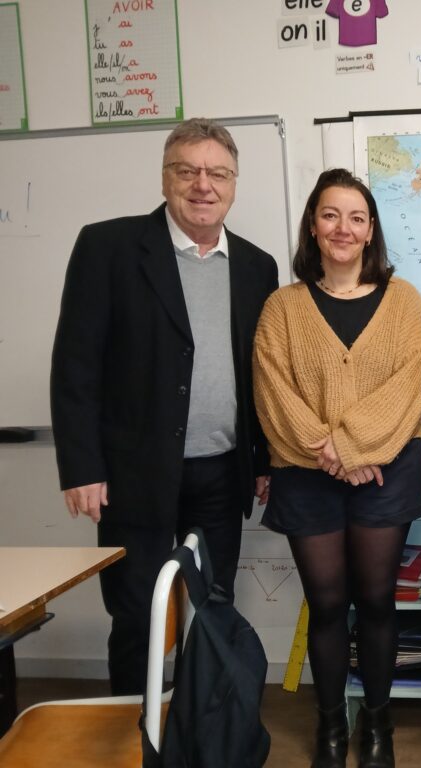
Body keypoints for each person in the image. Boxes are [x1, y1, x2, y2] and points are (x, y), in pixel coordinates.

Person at [50, 118, 279, 695]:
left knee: (213, 608)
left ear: (233, 184)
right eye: (187, 171)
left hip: (221, 474)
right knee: (138, 613)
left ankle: (205, 727)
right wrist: (81, 468)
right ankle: (138, 729)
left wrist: (262, 460)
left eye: (217, 173)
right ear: (164, 178)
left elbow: (260, 375)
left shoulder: (258, 267)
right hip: (134, 474)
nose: (203, 185)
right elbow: (76, 365)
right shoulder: (108, 248)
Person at [253, 168, 421, 768]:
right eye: (330, 215)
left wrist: (352, 448)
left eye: (356, 217)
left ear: (371, 229)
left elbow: (409, 388)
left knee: (377, 601)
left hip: (386, 471)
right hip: (307, 475)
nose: (343, 228)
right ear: (313, 224)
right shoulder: (282, 307)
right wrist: (334, 454)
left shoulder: (404, 301)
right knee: (327, 604)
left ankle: (378, 723)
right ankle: (331, 725)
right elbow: (273, 393)